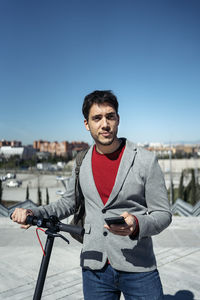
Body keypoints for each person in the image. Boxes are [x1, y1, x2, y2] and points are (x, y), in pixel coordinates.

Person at [12, 90, 172, 300]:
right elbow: (68, 203)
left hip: (138, 266)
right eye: (97, 118)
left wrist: (137, 224)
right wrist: (34, 211)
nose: (104, 124)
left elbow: (163, 214)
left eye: (110, 116)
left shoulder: (145, 160)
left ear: (118, 119)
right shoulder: (81, 161)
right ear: (87, 124)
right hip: (94, 267)